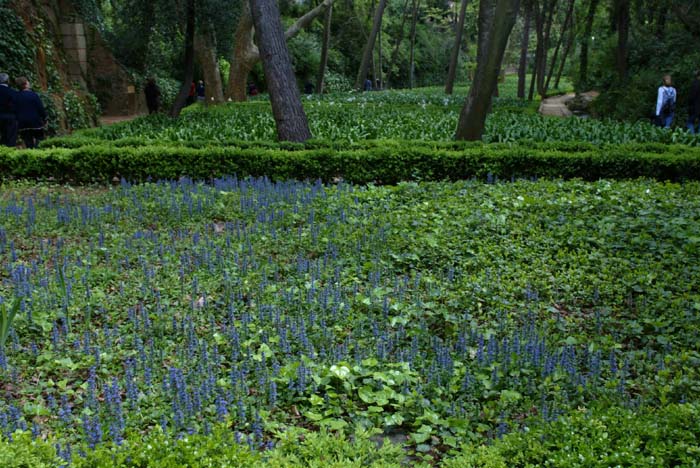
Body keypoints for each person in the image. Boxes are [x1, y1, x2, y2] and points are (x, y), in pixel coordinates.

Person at [14, 76, 46, 149]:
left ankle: (31, 152)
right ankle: (38, 151)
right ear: (25, 84)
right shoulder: (33, 95)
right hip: (35, 121)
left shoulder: (16, 96)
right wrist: (44, 118)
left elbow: (14, 109)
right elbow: (40, 108)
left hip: (22, 123)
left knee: (27, 141)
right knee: (39, 138)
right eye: (28, 81)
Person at [0, 72, 18, 147]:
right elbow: (16, 105)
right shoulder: (12, 92)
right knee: (11, 137)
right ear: (8, 81)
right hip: (10, 117)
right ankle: (10, 154)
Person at [688, 70, 700, 134]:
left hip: (694, 107)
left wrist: (690, 105)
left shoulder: (695, 84)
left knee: (690, 122)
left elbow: (691, 97)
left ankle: (692, 138)